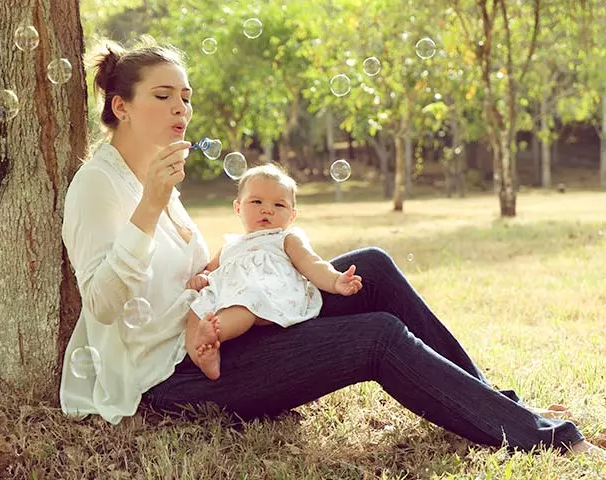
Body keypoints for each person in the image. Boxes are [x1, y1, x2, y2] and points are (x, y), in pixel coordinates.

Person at [59, 35, 605, 459]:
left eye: (186, 97)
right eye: (163, 96)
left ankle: (494, 405)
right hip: (172, 378)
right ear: (120, 106)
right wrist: (153, 201)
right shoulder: (98, 186)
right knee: (377, 337)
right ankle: (541, 436)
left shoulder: (157, 177)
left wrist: (265, 260)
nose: (181, 108)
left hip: (217, 331)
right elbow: (104, 305)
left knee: (372, 265)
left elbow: (192, 272)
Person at [184, 163, 363, 381]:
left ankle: (215, 334)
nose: (267, 209)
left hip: (266, 292)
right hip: (228, 293)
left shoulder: (285, 239)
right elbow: (211, 269)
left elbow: (312, 264)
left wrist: (335, 280)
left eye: (279, 205)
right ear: (238, 208)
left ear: (292, 216)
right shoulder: (230, 245)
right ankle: (203, 355)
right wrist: (202, 278)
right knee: (197, 308)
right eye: (256, 201)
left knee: (248, 300)